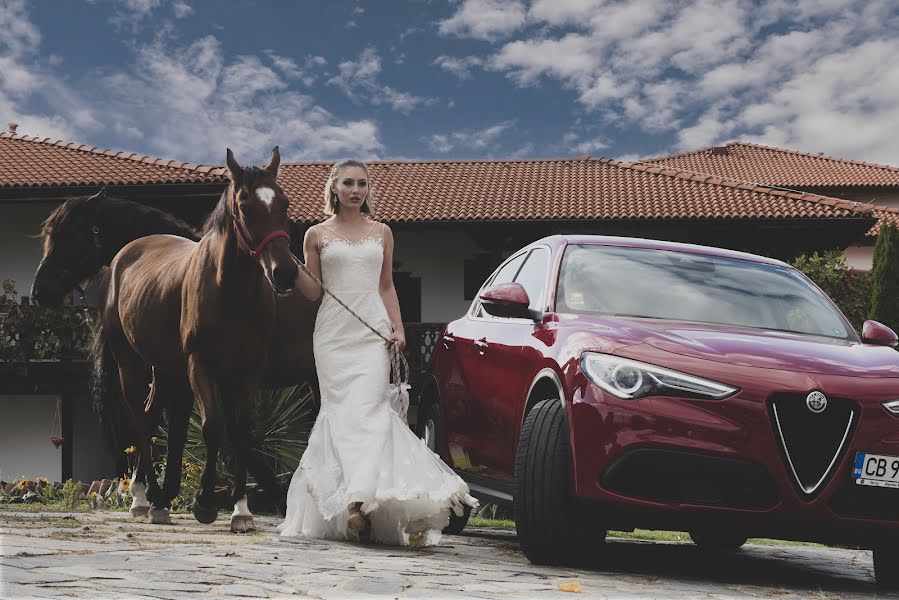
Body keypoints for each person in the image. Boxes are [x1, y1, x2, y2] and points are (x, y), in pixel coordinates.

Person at [279, 159, 477, 546]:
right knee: (339, 413)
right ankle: (353, 502)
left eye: (362, 184)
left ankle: (359, 500)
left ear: (368, 189)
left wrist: (399, 327)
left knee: (370, 411)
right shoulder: (315, 234)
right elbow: (313, 291)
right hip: (333, 335)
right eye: (348, 183)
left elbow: (386, 286)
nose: (356, 190)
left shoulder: (382, 232)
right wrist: (290, 265)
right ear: (333, 188)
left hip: (372, 333)